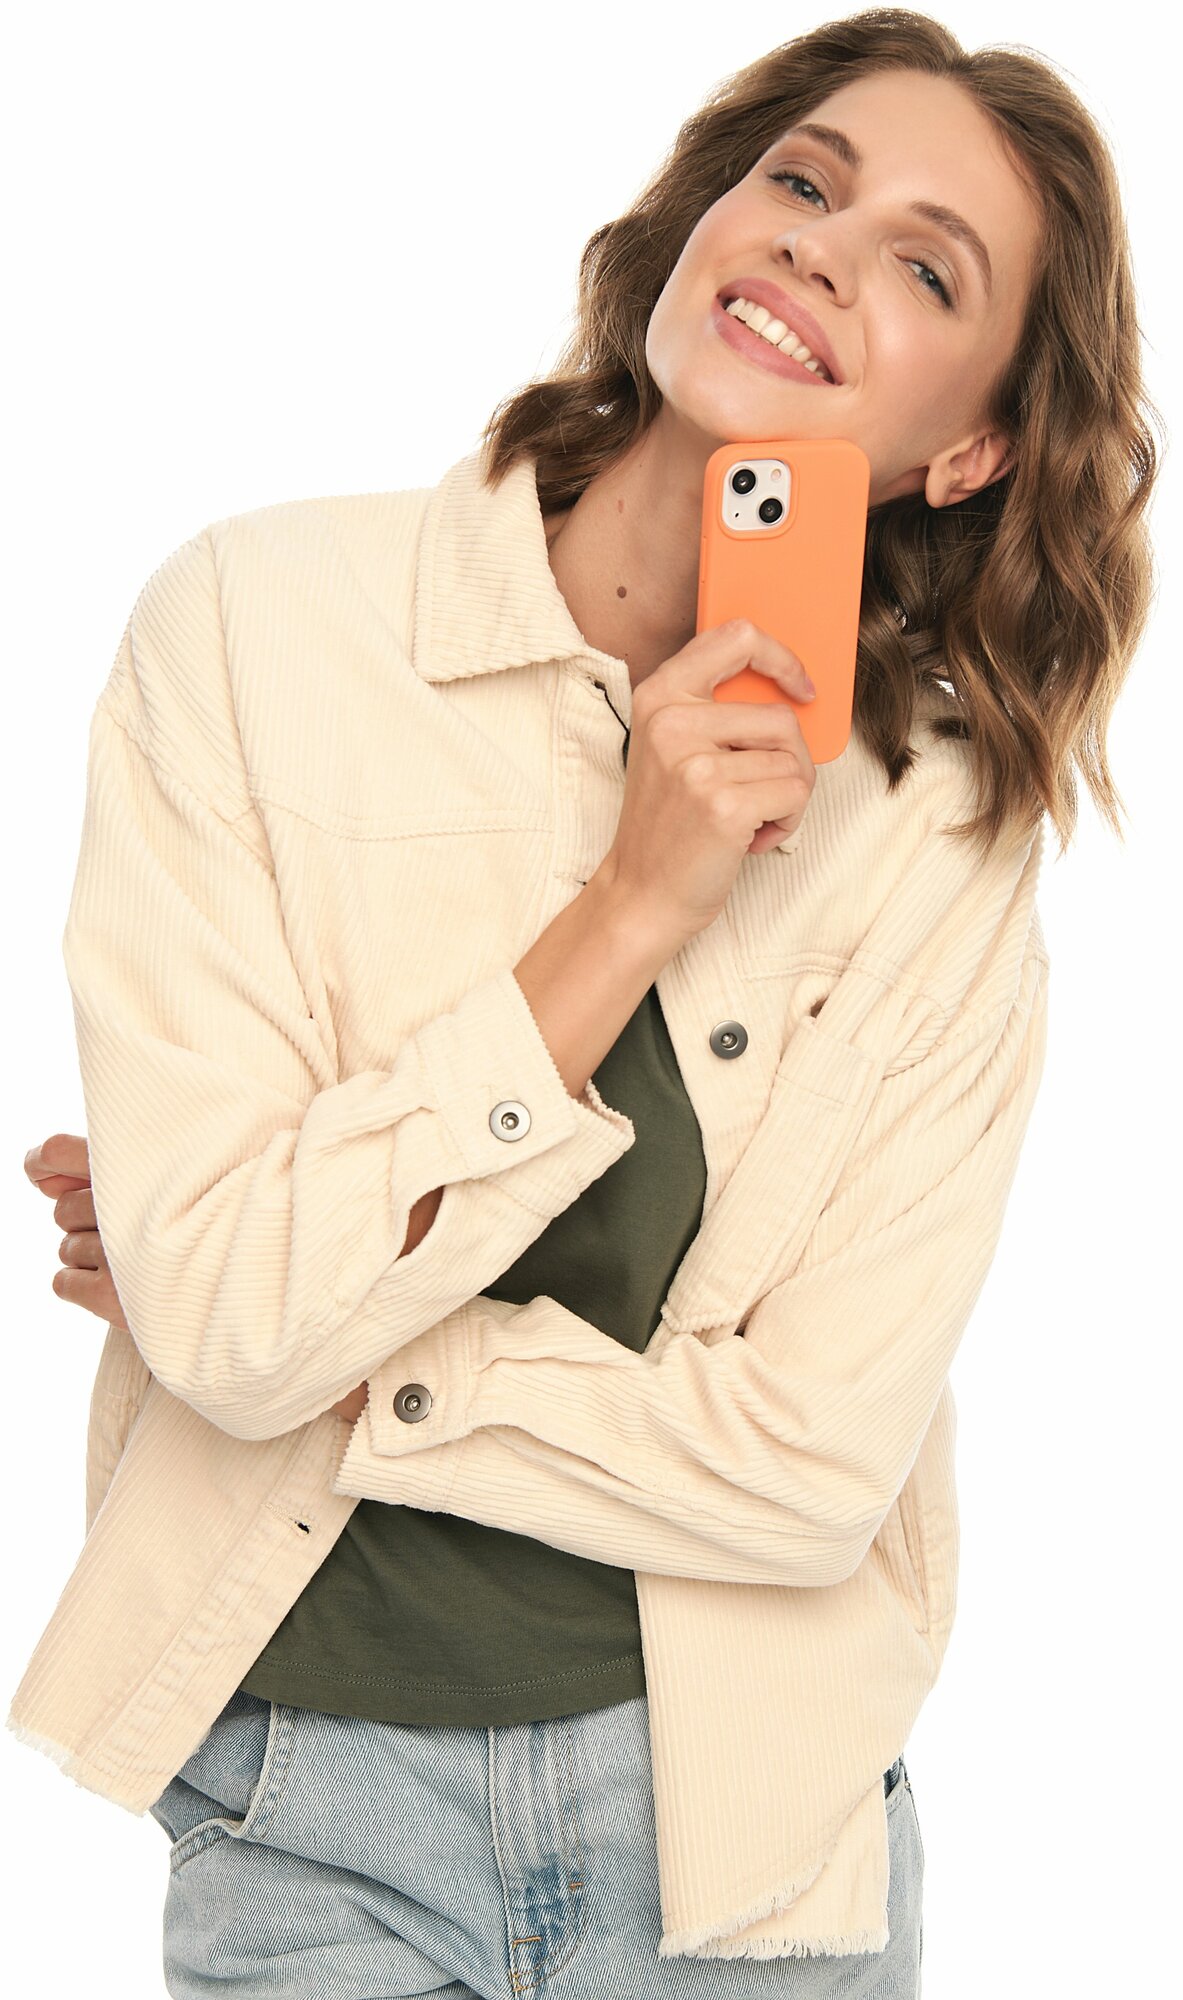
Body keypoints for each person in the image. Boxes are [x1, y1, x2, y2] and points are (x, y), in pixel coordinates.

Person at [9, 8, 1161, 1997]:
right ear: (701, 218)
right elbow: (221, 1309)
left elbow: (810, 1472)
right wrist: (633, 902)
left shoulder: (939, 841)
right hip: (313, 1813)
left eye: (924, 268)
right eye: (800, 181)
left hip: (749, 1848)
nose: (819, 248)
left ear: (968, 447)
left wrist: (347, 1354)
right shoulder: (257, 631)